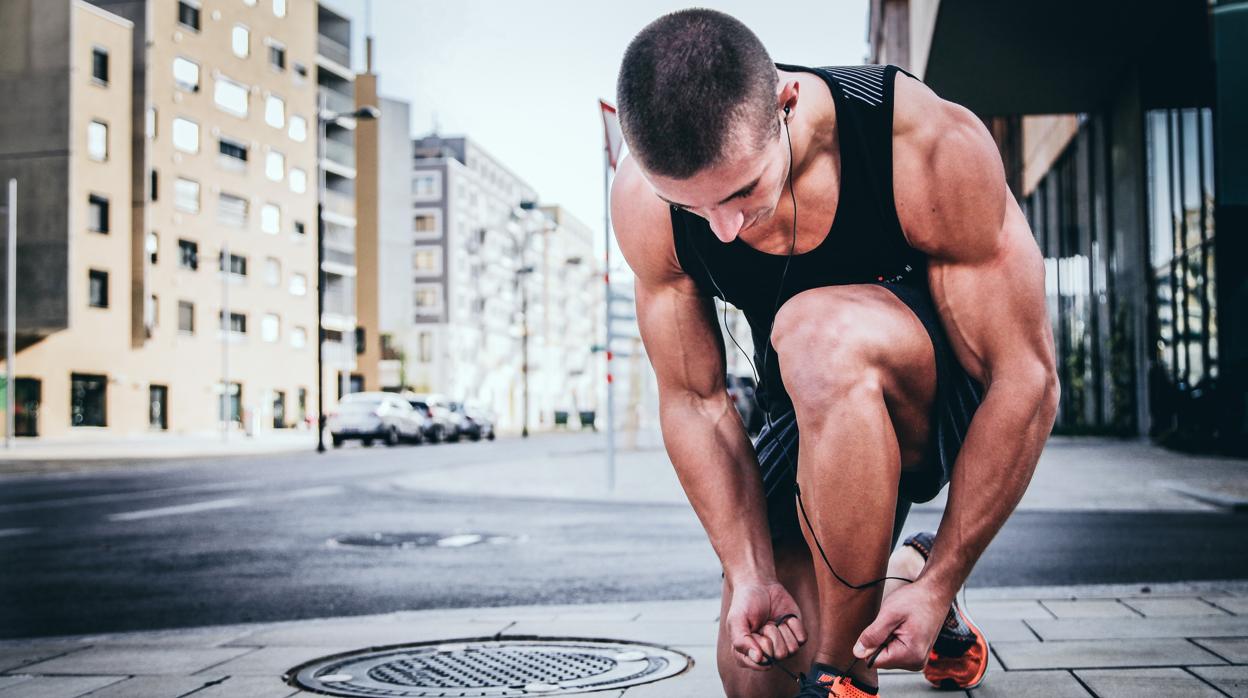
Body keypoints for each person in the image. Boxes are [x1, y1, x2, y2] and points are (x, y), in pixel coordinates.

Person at [609, 9, 1059, 698]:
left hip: (939, 398)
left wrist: (946, 579)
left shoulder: (919, 140)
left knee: (816, 330)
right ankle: (891, 580)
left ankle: (844, 677)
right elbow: (694, 401)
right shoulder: (643, 201)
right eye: (695, 209)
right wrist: (750, 573)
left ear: (787, 104)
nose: (723, 231)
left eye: (740, 192)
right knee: (757, 672)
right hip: (809, 406)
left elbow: (1026, 378)